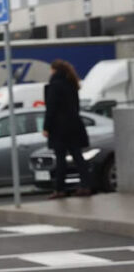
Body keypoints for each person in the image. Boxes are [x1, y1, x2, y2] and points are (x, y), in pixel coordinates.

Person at [44, 59, 93, 198]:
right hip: (74, 126)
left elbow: (51, 109)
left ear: (54, 70)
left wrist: (46, 127)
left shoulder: (54, 86)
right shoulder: (72, 84)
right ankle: (86, 186)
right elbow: (76, 107)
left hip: (59, 128)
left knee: (60, 159)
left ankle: (60, 189)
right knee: (78, 157)